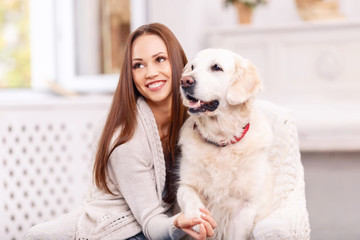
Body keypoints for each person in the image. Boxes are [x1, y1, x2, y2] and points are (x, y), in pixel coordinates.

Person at [25, 23, 216, 240]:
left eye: (160, 59)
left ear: (178, 61)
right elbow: (152, 224)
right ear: (130, 74)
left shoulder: (195, 117)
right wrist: (178, 223)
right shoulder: (127, 140)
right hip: (123, 230)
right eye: (138, 65)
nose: (151, 73)